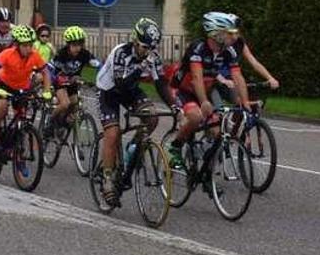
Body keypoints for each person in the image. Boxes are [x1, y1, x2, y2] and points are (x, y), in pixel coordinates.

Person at [95, 17, 174, 204]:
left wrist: (174, 105)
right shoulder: (120, 53)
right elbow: (121, 84)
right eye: (145, 47)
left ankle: (133, 149)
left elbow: (161, 84)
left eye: (152, 48)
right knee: (113, 133)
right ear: (135, 41)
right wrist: (141, 67)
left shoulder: (151, 57)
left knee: (152, 117)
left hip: (130, 90)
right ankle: (107, 177)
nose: (148, 52)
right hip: (109, 91)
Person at [166, 12, 252, 168]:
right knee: (196, 117)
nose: (235, 37)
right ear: (217, 33)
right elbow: (197, 78)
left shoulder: (229, 51)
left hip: (205, 91)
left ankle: (207, 176)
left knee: (217, 133)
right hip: (183, 91)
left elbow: (238, 77)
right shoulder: (198, 48)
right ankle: (175, 146)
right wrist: (204, 101)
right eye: (230, 33)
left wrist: (245, 102)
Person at [0, 25, 53, 149]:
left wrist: (47, 91)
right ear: (17, 45)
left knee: (22, 119)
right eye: (25, 45)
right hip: (4, 85)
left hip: (21, 88)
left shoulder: (34, 55)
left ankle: (17, 153)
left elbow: (46, 72)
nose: (28, 48)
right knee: (2, 106)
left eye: (30, 45)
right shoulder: (8, 54)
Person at [211, 13, 279, 107]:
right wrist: (221, 79)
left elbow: (253, 62)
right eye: (231, 32)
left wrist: (270, 78)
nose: (234, 36)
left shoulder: (239, 43)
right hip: (212, 79)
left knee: (243, 103)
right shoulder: (218, 42)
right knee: (218, 109)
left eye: (236, 31)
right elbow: (208, 66)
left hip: (229, 79)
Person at [45, 26, 101, 137]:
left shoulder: (84, 54)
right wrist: (57, 79)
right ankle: (50, 122)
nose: (77, 48)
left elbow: (98, 65)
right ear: (68, 45)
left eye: (80, 45)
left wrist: (100, 80)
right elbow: (50, 70)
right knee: (65, 104)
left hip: (73, 84)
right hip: (60, 83)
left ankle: (63, 123)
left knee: (75, 105)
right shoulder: (62, 55)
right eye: (74, 45)